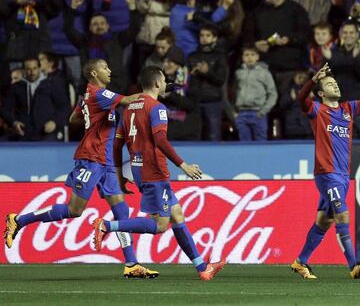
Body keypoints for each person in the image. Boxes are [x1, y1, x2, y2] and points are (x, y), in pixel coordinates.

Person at [4, 59, 158, 279]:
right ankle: (18, 220)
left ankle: (132, 264)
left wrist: (91, 119)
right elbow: (131, 99)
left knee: (121, 211)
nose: (110, 70)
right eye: (105, 67)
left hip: (106, 162)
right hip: (91, 159)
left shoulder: (89, 96)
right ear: (94, 73)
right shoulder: (99, 94)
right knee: (74, 210)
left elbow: (72, 118)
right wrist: (153, 91)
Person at [92, 66, 225, 281]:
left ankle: (202, 267)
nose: (165, 84)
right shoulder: (157, 108)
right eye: (163, 81)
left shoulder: (129, 109)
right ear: (156, 83)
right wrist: (184, 165)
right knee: (160, 225)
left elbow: (116, 146)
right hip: (154, 171)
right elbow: (160, 140)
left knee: (177, 214)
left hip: (138, 169)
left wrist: (118, 174)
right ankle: (106, 226)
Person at [290, 63, 360, 279]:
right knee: (342, 214)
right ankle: (354, 265)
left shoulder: (348, 109)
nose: (335, 85)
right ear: (322, 93)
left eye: (335, 82)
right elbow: (301, 99)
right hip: (327, 173)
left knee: (324, 221)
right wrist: (313, 79)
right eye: (330, 84)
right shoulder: (317, 110)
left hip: (342, 175)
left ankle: (300, 262)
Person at [0, 57, 70, 141]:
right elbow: (4, 108)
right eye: (28, 69)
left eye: (34, 68)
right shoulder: (16, 87)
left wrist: (55, 121)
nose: (32, 72)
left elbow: (65, 106)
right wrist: (13, 122)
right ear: (24, 70)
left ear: (39, 68)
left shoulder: (51, 85)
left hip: (47, 134)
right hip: (23, 134)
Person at [234, 45, 277, 141]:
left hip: (258, 112)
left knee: (261, 144)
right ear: (242, 57)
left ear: (257, 57)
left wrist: (263, 111)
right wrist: (235, 112)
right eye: (246, 55)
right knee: (244, 145)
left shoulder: (264, 73)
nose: (249, 58)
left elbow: (273, 94)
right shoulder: (238, 73)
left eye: (252, 55)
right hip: (241, 113)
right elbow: (234, 91)